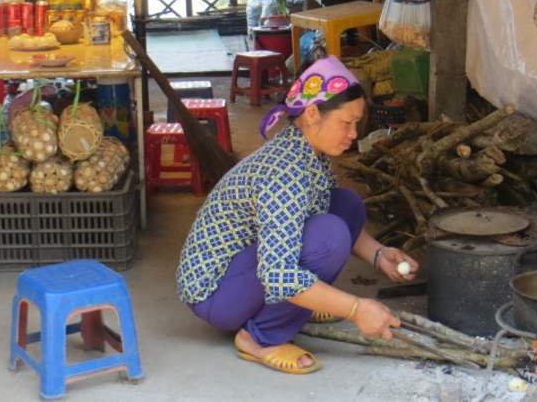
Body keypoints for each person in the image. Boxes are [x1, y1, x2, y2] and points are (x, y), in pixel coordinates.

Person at [175, 56, 419, 374]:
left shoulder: (309, 152)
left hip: (245, 271)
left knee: (344, 204)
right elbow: (277, 274)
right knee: (329, 237)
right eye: (347, 123)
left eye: (357, 123)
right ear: (313, 113)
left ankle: (295, 308)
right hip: (217, 294)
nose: (354, 134)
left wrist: (379, 254)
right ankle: (259, 337)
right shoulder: (284, 172)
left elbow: (329, 211)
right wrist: (357, 309)